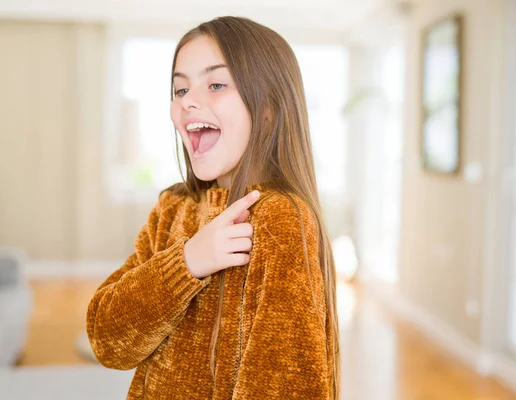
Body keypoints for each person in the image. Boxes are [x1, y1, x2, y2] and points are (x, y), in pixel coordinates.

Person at [86, 16, 340, 400]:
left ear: (269, 107)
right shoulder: (173, 207)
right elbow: (108, 340)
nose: (187, 100)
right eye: (180, 88)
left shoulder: (280, 218)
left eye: (216, 84)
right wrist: (186, 262)